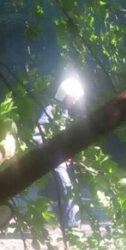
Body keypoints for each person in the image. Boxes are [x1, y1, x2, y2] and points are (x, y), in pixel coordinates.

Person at [32, 76, 85, 230]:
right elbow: (37, 135)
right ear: (64, 94)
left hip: (58, 158)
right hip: (52, 158)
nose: (74, 101)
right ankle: (73, 225)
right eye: (73, 97)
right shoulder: (51, 109)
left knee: (58, 189)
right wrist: (52, 152)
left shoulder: (64, 113)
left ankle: (47, 220)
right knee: (67, 188)